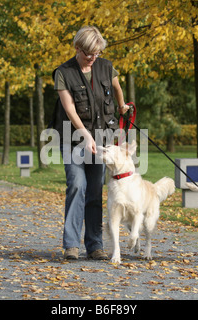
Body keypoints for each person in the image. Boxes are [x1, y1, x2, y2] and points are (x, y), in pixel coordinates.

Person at [52, 26, 129, 260]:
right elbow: (69, 108)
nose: (93, 58)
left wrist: (122, 106)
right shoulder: (63, 72)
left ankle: (95, 245)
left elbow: (116, 88)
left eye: (96, 53)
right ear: (78, 48)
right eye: (89, 53)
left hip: (102, 139)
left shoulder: (106, 67)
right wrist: (85, 134)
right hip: (73, 139)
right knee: (77, 185)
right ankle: (71, 245)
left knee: (95, 191)